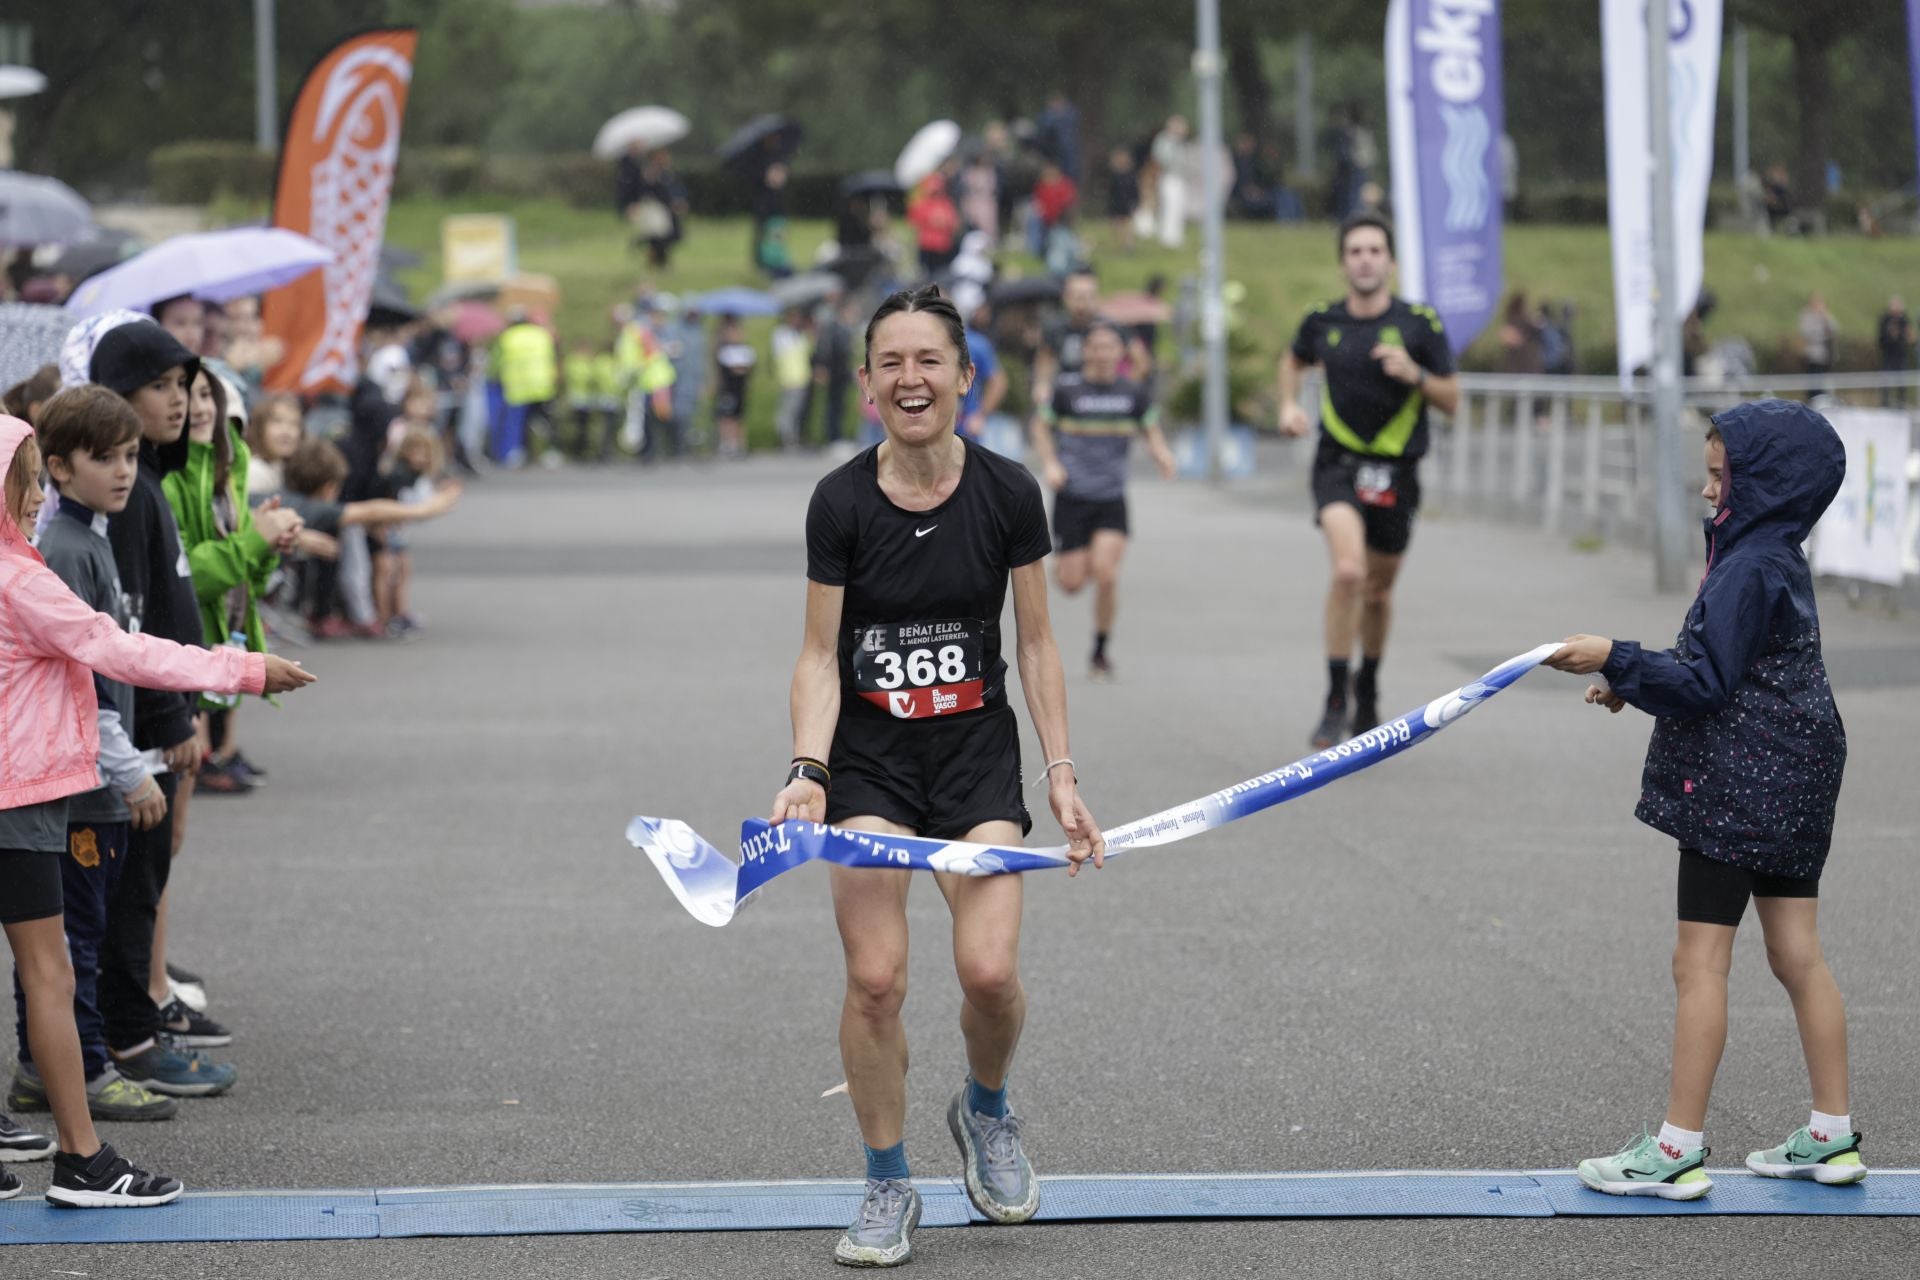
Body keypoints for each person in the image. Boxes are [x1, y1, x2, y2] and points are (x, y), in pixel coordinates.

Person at [769, 285, 1102, 1268]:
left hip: (973, 763)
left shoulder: (1007, 493)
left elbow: (1036, 643)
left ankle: (987, 1109)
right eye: (890, 362)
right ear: (868, 385)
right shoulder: (840, 500)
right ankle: (885, 1181)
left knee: (989, 974)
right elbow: (820, 656)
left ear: (965, 377)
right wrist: (807, 769)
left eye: (929, 360)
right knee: (875, 981)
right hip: (871, 765)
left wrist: (1062, 772)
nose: (910, 377)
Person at [1545, 401, 1864, 1201]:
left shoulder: (1749, 563)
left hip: (1742, 783)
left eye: (1724, 475)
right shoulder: (1771, 554)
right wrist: (1631, 682)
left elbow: (1704, 681)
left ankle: (1677, 1148)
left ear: (1767, 484)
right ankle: (1832, 1136)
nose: (1708, 487)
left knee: (1699, 963)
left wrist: (1614, 654)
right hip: (1799, 771)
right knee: (1798, 955)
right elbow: (1717, 662)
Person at [0, 410, 313, 1207]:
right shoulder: (24, 578)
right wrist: (241, 669)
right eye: (27, 479)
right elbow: (118, 649)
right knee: (49, 973)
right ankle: (83, 1159)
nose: (37, 495)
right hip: (22, 797)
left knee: (45, 971)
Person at [1276, 213, 1459, 748]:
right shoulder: (1321, 321)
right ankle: (1335, 699)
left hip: (1398, 475)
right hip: (1337, 463)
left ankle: (1369, 686)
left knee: (1377, 593)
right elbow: (1292, 360)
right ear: (1343, 263)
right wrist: (1288, 403)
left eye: (1375, 250)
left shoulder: (1419, 324)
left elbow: (1452, 399)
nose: (1365, 259)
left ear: (1391, 262)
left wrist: (1416, 374)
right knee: (1349, 572)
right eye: (1354, 251)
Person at [1029, 322, 1175, 680]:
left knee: (1108, 575)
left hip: (1111, 498)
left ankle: (1100, 650)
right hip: (1072, 497)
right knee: (1072, 584)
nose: (1103, 354)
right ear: (1086, 352)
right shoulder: (1067, 391)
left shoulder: (1132, 393)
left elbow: (1150, 426)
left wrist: (1160, 452)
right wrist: (1050, 463)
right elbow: (1040, 427)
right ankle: (1075, 560)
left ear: (1120, 353)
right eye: (1096, 347)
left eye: (1111, 347)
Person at [712, 315, 756, 458]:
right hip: (727, 389)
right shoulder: (724, 349)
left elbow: (749, 367)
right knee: (726, 417)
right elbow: (728, 368)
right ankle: (726, 444)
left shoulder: (745, 349)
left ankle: (739, 444)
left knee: (739, 417)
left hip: (740, 388)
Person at [771, 307, 815, 451]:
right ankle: (786, 440)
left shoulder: (800, 335)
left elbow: (808, 352)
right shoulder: (782, 335)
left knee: (797, 412)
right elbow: (780, 353)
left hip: (801, 378)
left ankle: (794, 438)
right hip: (789, 379)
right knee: (787, 412)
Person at [906, 173, 961, 279]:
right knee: (928, 275)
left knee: (942, 274)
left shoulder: (945, 203)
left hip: (943, 246)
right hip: (928, 246)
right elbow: (914, 221)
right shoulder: (922, 203)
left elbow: (953, 223)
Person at [1150, 117, 1191, 250]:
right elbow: (1162, 158)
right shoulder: (1164, 140)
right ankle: (1167, 237)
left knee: (1178, 207)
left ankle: (1176, 236)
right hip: (1168, 177)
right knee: (1169, 206)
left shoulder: (1179, 142)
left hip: (1179, 177)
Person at [1875, 295, 1912, 407]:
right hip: (1888, 354)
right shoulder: (1885, 319)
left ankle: (1901, 403)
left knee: (1901, 380)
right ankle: (1885, 404)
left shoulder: (1904, 320)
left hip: (1900, 354)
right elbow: (1881, 337)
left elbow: (1910, 337)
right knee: (1886, 379)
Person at [1106, 147, 1140, 252]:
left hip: (1126, 203)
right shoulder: (1114, 175)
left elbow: (1135, 191)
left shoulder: (1130, 175)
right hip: (1116, 202)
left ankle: (1127, 244)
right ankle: (1120, 243)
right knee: (1117, 224)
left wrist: (1135, 202)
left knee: (1127, 224)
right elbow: (1111, 191)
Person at [1797, 292, 1836, 379]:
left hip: (1824, 355)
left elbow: (1834, 330)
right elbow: (1807, 333)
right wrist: (1822, 335)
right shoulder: (1806, 315)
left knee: (1822, 380)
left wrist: (1824, 317)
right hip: (1811, 355)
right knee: (1813, 380)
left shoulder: (1825, 315)